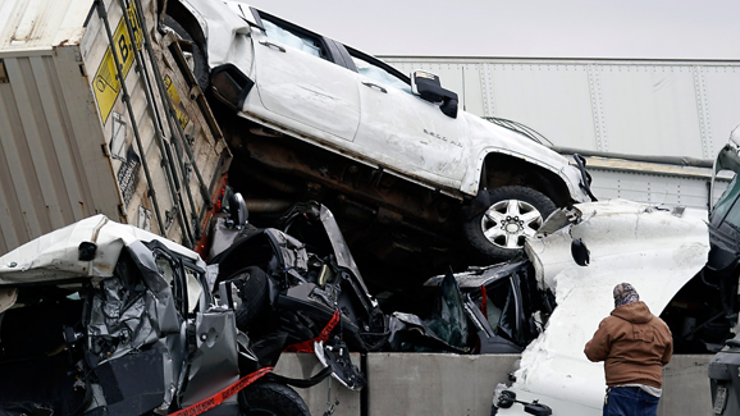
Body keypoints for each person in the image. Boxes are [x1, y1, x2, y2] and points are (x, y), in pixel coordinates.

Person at [584, 283, 673, 416]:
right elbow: (665, 358)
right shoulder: (661, 326)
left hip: (622, 387)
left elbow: (592, 353)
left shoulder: (611, 323)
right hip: (651, 389)